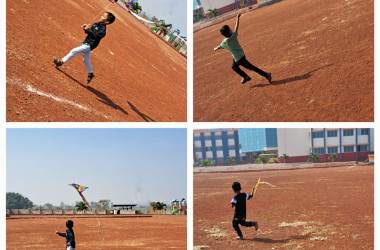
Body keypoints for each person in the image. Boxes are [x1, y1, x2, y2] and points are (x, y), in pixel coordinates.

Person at [53, 12, 116, 84]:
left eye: (103, 16)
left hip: (90, 45)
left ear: (107, 21)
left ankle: (60, 62)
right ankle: (90, 74)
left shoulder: (103, 30)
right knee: (85, 59)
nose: (101, 16)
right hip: (86, 42)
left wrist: (89, 31)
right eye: (102, 15)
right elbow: (88, 32)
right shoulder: (95, 24)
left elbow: (96, 37)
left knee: (74, 51)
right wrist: (86, 29)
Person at [214, 12, 272, 84]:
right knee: (235, 67)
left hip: (239, 58)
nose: (231, 29)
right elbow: (236, 27)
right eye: (230, 29)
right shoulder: (234, 36)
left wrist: (216, 48)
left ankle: (265, 74)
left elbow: (220, 46)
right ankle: (246, 77)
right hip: (239, 56)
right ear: (229, 32)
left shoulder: (224, 42)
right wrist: (237, 18)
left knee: (250, 67)